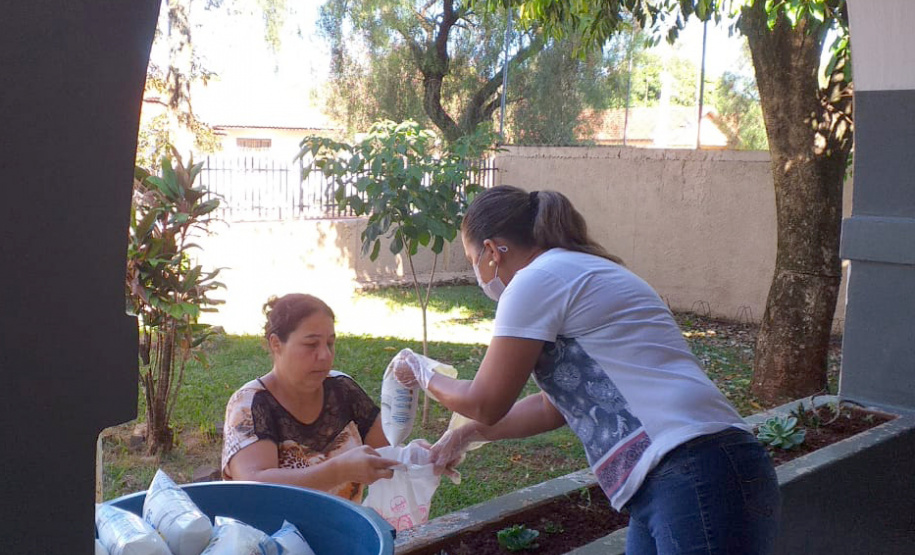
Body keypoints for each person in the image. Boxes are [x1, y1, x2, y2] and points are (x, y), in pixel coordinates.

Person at [395, 186, 781, 554]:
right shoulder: (570, 270)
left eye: (472, 259)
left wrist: (424, 372)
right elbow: (553, 408)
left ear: (493, 250)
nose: (477, 273)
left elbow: (485, 401)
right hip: (685, 471)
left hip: (693, 467)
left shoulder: (537, 279)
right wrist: (465, 435)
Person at [222, 293, 399, 502]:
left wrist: (420, 456)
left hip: (343, 528)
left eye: (330, 343)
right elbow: (253, 485)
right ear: (276, 343)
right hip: (270, 533)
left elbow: (386, 452)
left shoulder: (342, 389)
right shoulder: (250, 404)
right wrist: (337, 471)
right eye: (311, 344)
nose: (325, 355)